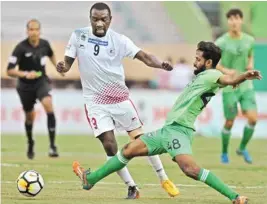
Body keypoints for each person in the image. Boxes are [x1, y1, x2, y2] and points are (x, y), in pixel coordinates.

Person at [72, 41, 262, 204]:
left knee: (190, 169)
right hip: (167, 131)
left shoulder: (212, 75)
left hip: (180, 131)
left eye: (198, 59)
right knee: (129, 149)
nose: (194, 61)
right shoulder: (203, 76)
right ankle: (91, 179)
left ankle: (235, 197)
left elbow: (228, 79)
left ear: (209, 62)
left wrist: (243, 76)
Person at [56, 2, 178, 199]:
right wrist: (63, 67)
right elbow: (67, 63)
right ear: (90, 19)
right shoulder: (79, 36)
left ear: (110, 19)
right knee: (109, 145)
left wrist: (160, 64)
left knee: (141, 140)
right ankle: (132, 187)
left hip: (119, 99)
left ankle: (163, 178)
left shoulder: (119, 40)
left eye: (103, 19)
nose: (99, 23)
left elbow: (145, 56)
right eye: (95, 19)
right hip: (94, 102)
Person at [6, 19, 59, 159]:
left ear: (40, 31)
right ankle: (30, 142)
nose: (33, 32)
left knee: (48, 104)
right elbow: (9, 70)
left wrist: (57, 67)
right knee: (30, 117)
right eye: (31, 29)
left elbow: (51, 54)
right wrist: (24, 74)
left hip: (41, 81)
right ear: (27, 31)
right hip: (24, 86)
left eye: (36, 29)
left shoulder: (44, 44)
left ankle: (52, 146)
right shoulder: (20, 48)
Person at [215, 9, 257, 164]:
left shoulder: (249, 40)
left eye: (237, 18)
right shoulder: (221, 42)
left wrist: (250, 63)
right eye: (231, 19)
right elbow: (215, 63)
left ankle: (242, 148)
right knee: (230, 121)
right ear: (228, 22)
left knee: (252, 119)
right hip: (229, 87)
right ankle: (224, 152)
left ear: (241, 20)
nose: (234, 21)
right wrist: (226, 71)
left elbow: (250, 54)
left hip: (246, 87)